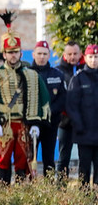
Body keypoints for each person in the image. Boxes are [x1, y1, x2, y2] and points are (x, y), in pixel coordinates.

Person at [0, 12, 50, 184]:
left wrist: (36, 123)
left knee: (23, 162)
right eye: (9, 52)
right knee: (2, 161)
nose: (13, 55)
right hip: (4, 124)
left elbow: (43, 98)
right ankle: (2, 195)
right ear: (4, 54)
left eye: (16, 52)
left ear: (21, 53)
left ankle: (22, 197)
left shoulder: (31, 75)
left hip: (23, 123)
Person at [29, 40, 66, 175]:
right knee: (29, 157)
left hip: (51, 123)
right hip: (31, 124)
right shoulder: (27, 74)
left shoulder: (57, 75)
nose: (42, 57)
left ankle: (48, 189)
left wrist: (48, 112)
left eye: (45, 54)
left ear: (49, 55)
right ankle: (29, 188)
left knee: (49, 159)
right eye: (39, 53)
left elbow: (62, 99)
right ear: (33, 54)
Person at [65, 44, 98, 186]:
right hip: (84, 134)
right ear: (85, 58)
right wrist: (79, 126)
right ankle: (84, 200)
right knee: (84, 170)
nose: (94, 60)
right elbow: (72, 106)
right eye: (91, 57)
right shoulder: (78, 79)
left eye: (96, 57)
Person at [56, 41, 85, 178]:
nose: (73, 57)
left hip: (83, 122)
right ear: (64, 55)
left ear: (80, 54)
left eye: (75, 53)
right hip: (65, 122)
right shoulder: (58, 72)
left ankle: (84, 189)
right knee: (63, 158)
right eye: (70, 54)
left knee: (84, 158)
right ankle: (60, 188)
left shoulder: (86, 70)